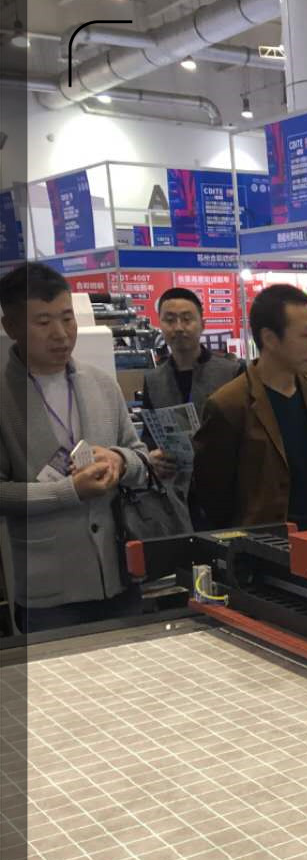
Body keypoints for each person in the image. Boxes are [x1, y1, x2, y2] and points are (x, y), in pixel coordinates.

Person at [0, 261, 150, 633]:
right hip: (50, 591)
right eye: (43, 322)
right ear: (11, 327)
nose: (61, 334)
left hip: (120, 576)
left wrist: (119, 460)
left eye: (67, 318)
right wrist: (69, 491)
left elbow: (141, 457)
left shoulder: (101, 384)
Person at [193, 283, 307, 532]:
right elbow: (214, 496)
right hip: (266, 543)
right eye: (305, 335)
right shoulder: (229, 404)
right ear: (269, 338)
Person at [143, 287, 241, 417]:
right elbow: (150, 428)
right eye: (170, 320)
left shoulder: (232, 373)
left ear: (202, 325)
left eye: (187, 319)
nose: (178, 327)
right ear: (160, 325)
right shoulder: (153, 381)